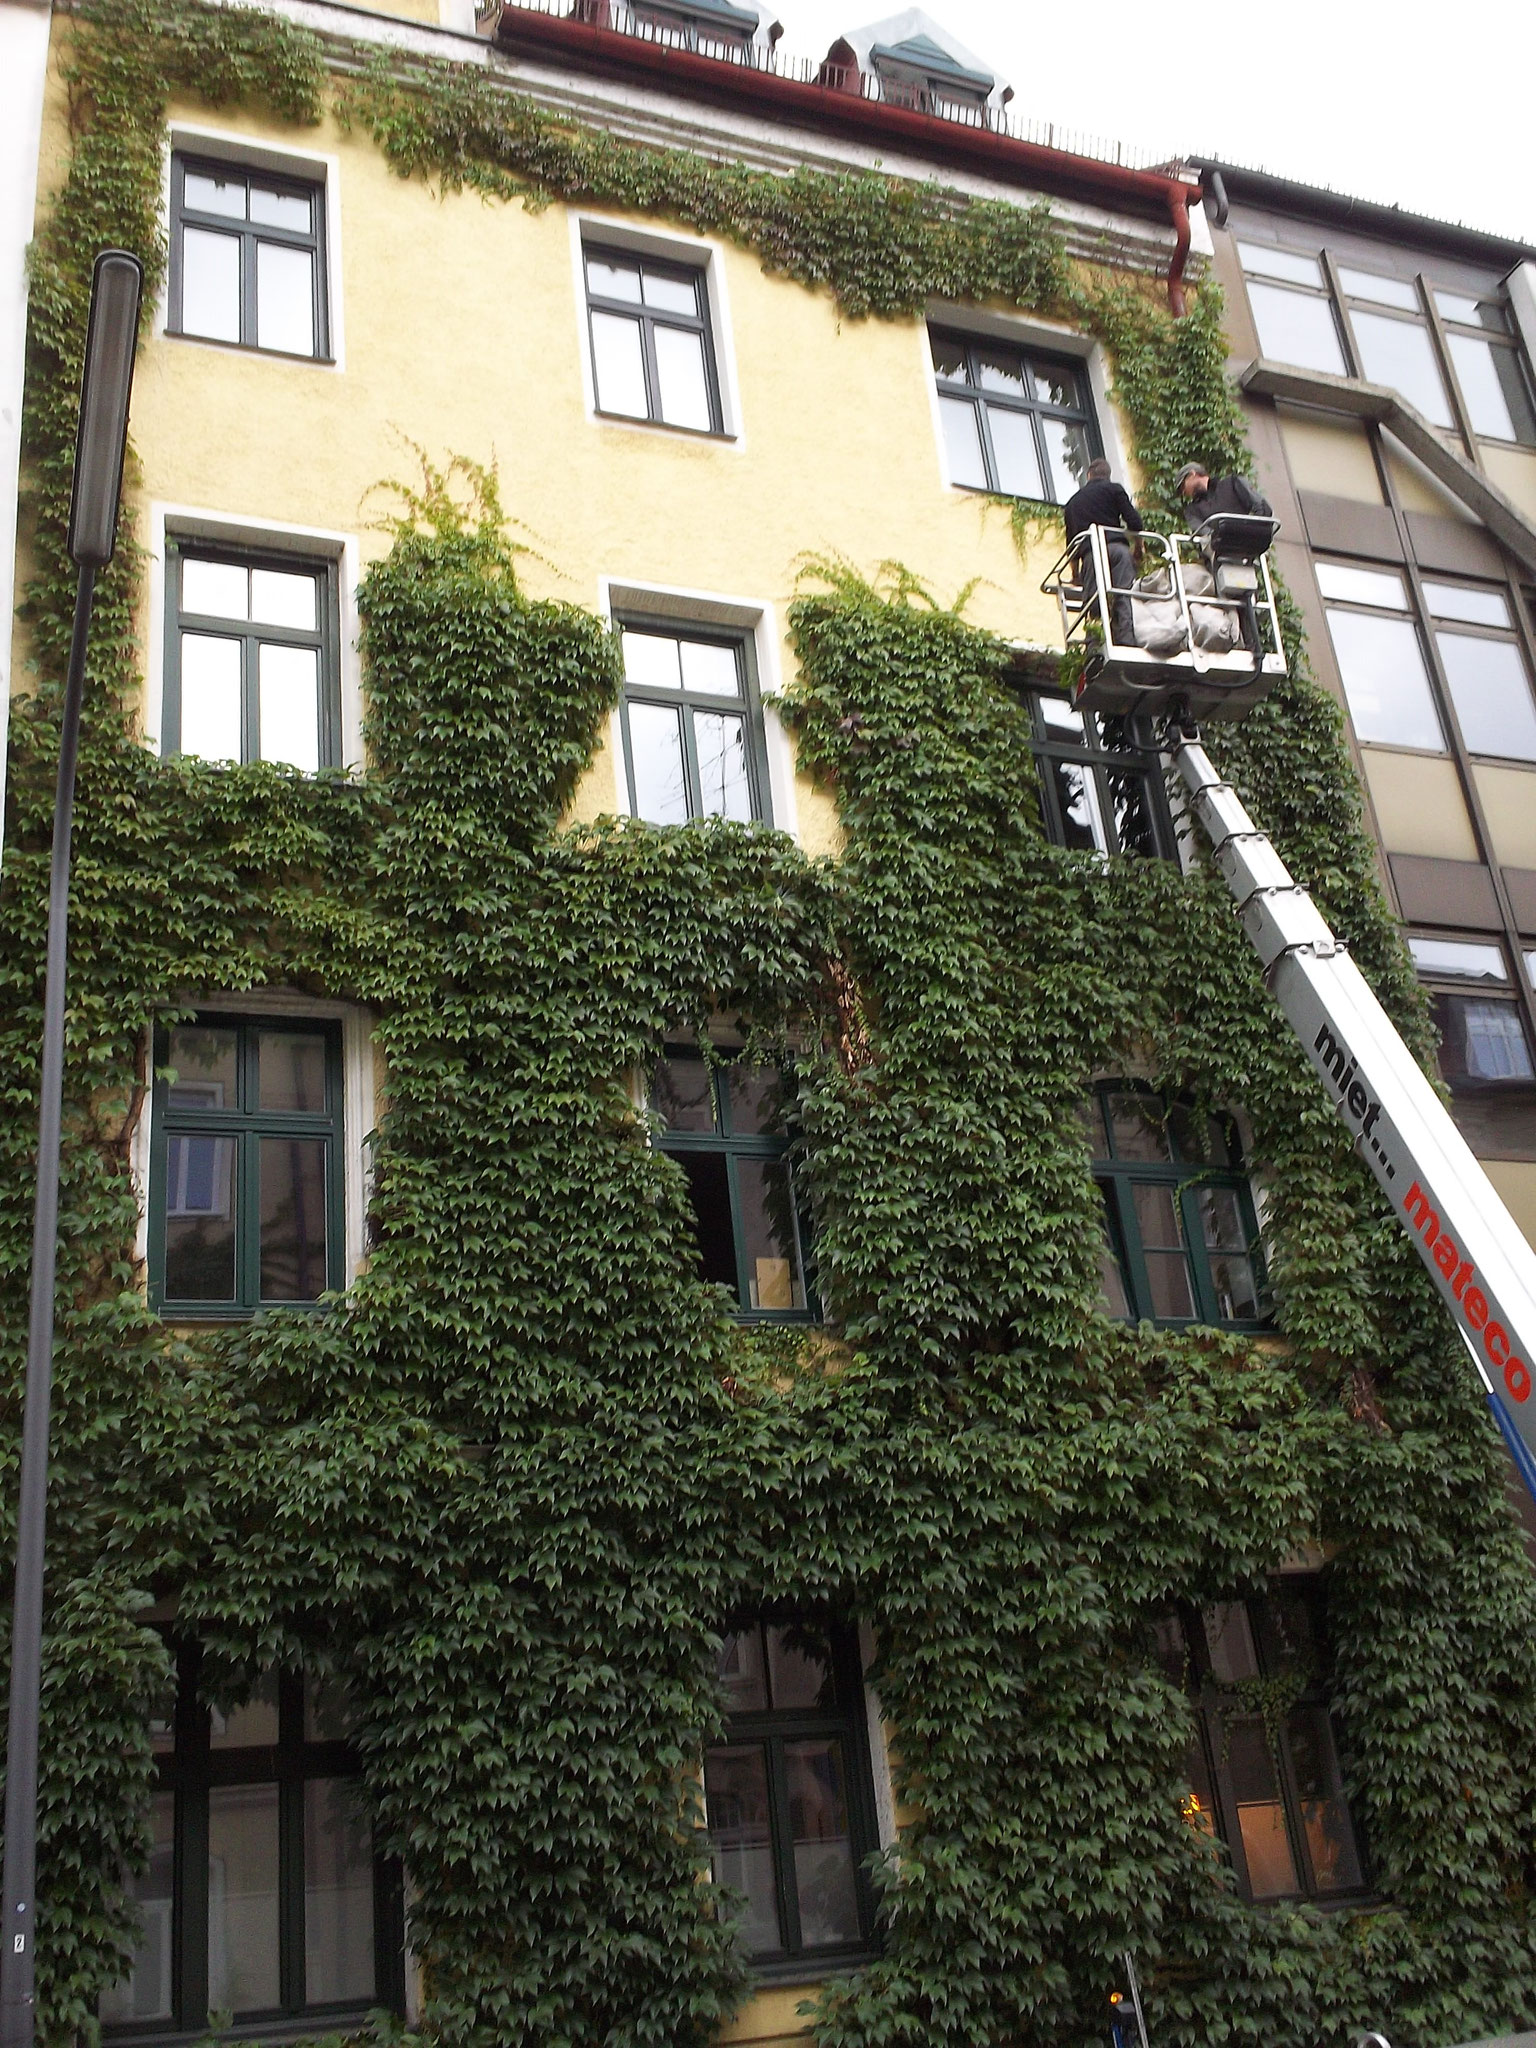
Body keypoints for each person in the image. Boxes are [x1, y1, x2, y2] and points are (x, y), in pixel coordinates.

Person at [1063, 457, 1143, 644]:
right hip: (1118, 551)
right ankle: (1126, 639)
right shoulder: (1114, 489)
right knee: (1124, 594)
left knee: (1093, 601)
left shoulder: (1073, 503)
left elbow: (1072, 545)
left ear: (1089, 475)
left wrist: (1075, 574)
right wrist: (1138, 548)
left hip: (1091, 556)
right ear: (1108, 475)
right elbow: (1135, 522)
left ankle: (1094, 643)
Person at [1175, 461, 1273, 529]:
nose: (1184, 492)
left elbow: (1262, 508)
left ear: (1192, 474)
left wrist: (1252, 531)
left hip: (1246, 546)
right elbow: (1204, 535)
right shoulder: (1192, 510)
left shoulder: (1232, 483)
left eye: (1183, 486)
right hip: (1222, 553)